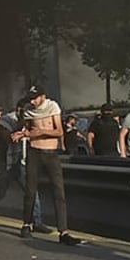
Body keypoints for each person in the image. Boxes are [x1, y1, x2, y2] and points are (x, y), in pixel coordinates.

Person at [0, 98, 52, 233]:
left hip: (20, 164)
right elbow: (8, 139)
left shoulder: (29, 121)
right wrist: (22, 127)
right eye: (25, 111)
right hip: (5, 164)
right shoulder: (5, 121)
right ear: (19, 109)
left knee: (32, 192)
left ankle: (37, 221)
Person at [18, 85, 83, 245]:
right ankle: (26, 224)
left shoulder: (52, 107)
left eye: (35, 98)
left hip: (50, 153)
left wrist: (38, 132)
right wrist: (22, 133)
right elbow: (27, 130)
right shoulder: (28, 111)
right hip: (34, 152)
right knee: (31, 190)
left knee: (58, 191)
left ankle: (64, 231)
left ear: (43, 96)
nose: (32, 102)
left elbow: (58, 131)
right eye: (30, 98)